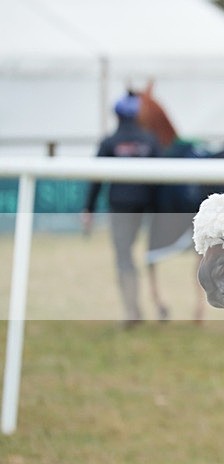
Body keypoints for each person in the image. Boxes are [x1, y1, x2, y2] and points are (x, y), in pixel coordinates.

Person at [83, 91, 162, 327]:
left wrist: (88, 209)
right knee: (151, 257)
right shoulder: (150, 141)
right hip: (150, 208)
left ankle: (132, 311)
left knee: (124, 258)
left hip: (120, 208)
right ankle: (155, 304)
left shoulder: (109, 143)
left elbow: (96, 179)